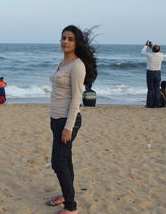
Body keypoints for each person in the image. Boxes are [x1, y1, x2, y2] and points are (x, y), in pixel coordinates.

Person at [46, 25, 97, 214]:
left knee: (58, 162)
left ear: (76, 43)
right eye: (63, 38)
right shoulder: (63, 63)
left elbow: (77, 97)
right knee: (65, 160)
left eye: (69, 39)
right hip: (56, 119)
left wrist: (68, 127)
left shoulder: (77, 65)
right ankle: (67, 195)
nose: (65, 41)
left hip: (68, 121)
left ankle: (71, 207)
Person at [141, 41, 163, 108]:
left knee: (150, 89)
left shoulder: (149, 55)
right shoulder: (161, 55)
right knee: (157, 89)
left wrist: (146, 45)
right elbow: (155, 51)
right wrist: (151, 46)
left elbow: (142, 52)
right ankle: (157, 104)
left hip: (150, 72)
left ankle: (150, 104)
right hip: (158, 72)